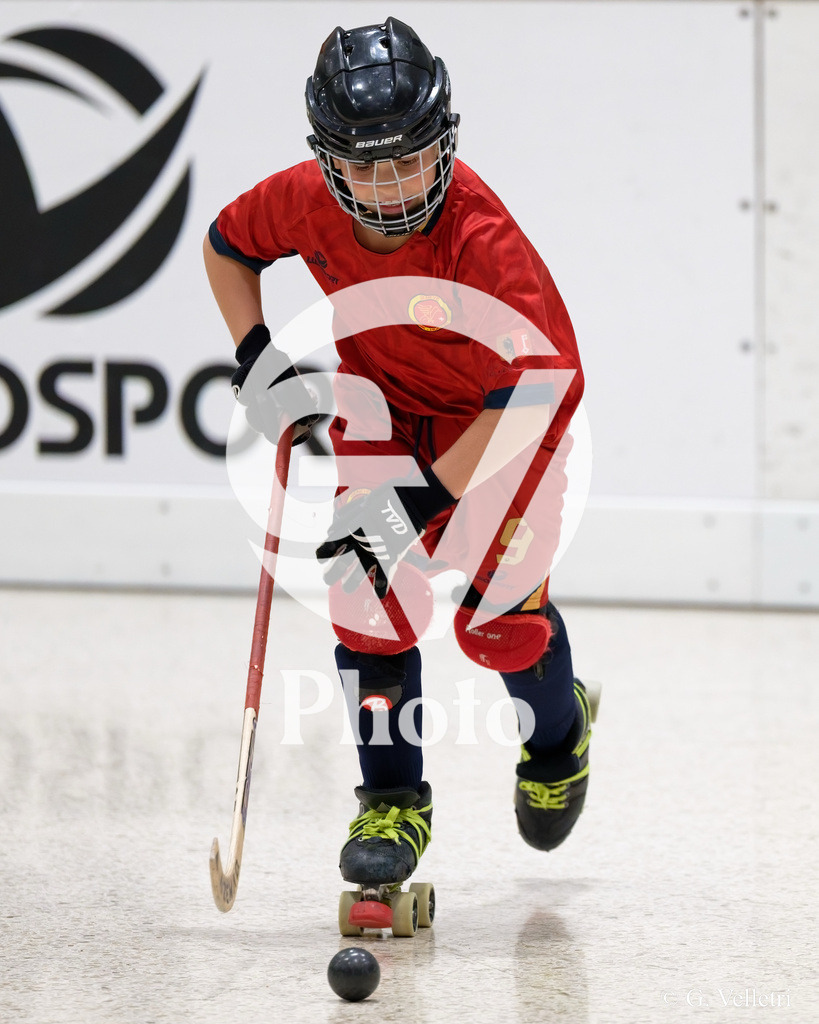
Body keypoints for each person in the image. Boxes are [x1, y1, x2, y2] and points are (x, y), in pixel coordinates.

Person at [204, 17, 595, 911]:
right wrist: (257, 359)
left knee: (493, 628)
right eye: (363, 164)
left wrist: (419, 499)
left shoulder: (482, 244)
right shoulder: (304, 200)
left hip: (508, 429)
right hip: (386, 412)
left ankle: (558, 738)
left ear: (443, 140)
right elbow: (229, 248)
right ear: (329, 161)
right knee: (365, 599)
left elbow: (539, 386)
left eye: (410, 158)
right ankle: (389, 805)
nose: (389, 186)